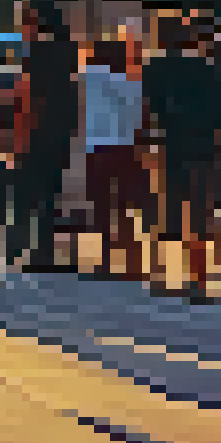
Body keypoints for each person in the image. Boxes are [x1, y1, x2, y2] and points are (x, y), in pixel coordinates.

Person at [148, 13, 221, 303]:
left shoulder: (155, 67)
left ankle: (158, 275)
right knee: (197, 213)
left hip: (170, 145)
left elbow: (150, 109)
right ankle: (197, 281)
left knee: (164, 210)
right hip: (204, 148)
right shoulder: (210, 69)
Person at [15, 0, 83, 273]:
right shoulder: (68, 48)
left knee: (36, 192)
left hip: (40, 128)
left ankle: (38, 252)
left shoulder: (37, 50)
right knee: (51, 193)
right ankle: (47, 251)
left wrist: (22, 132)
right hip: (61, 128)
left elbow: (31, 95)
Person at [81, 37, 149, 282]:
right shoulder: (135, 84)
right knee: (123, 207)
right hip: (126, 150)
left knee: (101, 208)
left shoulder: (91, 77)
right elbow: (141, 118)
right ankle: (135, 262)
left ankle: (106, 260)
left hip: (97, 150)